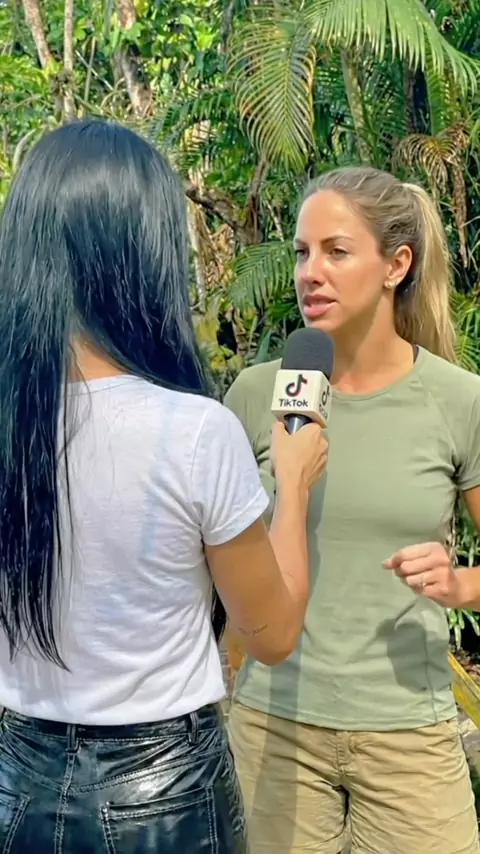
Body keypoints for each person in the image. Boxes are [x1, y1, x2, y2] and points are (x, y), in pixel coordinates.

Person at [0, 119, 328, 854]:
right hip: (166, 795)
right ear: (146, 255)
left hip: (18, 784)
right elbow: (272, 634)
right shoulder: (195, 431)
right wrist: (295, 482)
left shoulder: (11, 429)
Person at [225, 165, 480, 854]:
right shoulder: (255, 395)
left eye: (336, 252)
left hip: (409, 734)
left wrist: (460, 584)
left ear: (398, 265)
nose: (311, 272)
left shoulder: (460, 401)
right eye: (303, 252)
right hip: (273, 732)